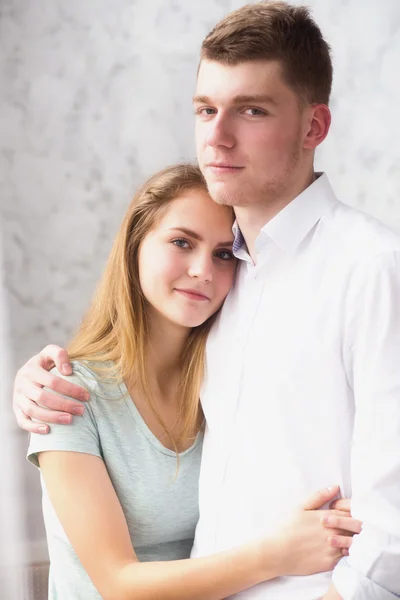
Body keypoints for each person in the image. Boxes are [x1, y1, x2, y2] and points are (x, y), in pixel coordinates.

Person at [14, 2, 400, 599]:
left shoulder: (372, 268)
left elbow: (392, 513)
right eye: (204, 109)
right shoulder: (226, 276)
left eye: (251, 110)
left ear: (313, 127)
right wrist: (34, 380)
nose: (216, 137)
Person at [22, 163, 359, 600]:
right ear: (135, 245)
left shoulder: (226, 380)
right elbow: (118, 584)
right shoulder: (66, 395)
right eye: (182, 242)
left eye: (223, 254)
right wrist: (277, 554)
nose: (203, 269)